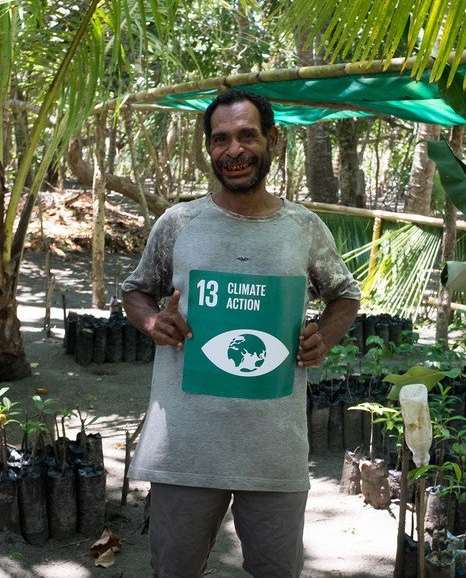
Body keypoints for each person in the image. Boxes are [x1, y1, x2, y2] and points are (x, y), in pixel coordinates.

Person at [121, 89, 361, 578]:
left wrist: (323, 336)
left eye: (247, 135)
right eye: (220, 139)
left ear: (272, 140)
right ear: (209, 148)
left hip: (274, 451)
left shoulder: (303, 227)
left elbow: (345, 294)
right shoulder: (179, 223)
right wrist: (152, 321)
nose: (234, 150)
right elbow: (136, 290)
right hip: (185, 449)